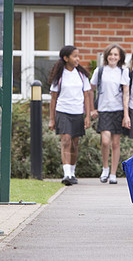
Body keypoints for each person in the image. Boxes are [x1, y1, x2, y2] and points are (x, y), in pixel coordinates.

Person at [48, 45, 92, 186]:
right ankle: (66, 173)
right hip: (63, 111)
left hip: (78, 112)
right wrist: (51, 119)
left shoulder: (81, 75)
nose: (77, 59)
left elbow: (87, 96)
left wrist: (87, 116)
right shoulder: (59, 76)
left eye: (78, 56)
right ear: (66, 58)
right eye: (74, 56)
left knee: (74, 143)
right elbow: (53, 98)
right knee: (66, 140)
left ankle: (72, 172)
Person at [90, 44, 129, 185]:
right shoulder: (100, 71)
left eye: (116, 55)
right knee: (105, 141)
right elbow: (90, 89)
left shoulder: (123, 71)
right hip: (104, 109)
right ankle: (105, 168)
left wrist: (126, 115)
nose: (113, 57)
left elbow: (126, 93)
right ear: (106, 56)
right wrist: (92, 109)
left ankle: (113, 173)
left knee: (115, 143)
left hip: (118, 110)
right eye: (111, 54)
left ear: (120, 57)